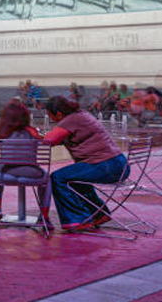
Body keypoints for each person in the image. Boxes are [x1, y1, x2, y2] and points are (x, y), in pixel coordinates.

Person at [43, 95, 129, 231]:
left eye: (50, 115)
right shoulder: (81, 115)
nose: (51, 119)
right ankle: (98, 214)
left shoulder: (71, 120)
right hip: (117, 164)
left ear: (58, 114)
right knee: (74, 177)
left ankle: (78, 219)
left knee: (58, 177)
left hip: (106, 165)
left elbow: (47, 141)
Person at [0, 100, 52, 226]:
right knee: (48, 180)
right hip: (31, 176)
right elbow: (44, 139)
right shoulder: (32, 132)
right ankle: (44, 216)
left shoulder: (1, 132)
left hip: (4, 176)